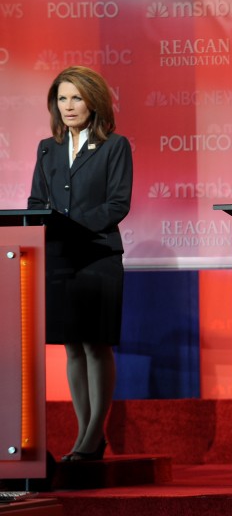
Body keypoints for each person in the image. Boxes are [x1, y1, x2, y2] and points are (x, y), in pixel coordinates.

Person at [28, 66, 133, 462]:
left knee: (95, 345)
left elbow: (117, 204)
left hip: (98, 255)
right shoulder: (46, 147)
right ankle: (82, 436)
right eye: (62, 98)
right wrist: (44, 225)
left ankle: (93, 435)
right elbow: (36, 202)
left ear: (94, 101)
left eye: (75, 97)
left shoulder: (115, 146)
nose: (68, 106)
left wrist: (71, 226)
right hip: (59, 259)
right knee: (72, 347)